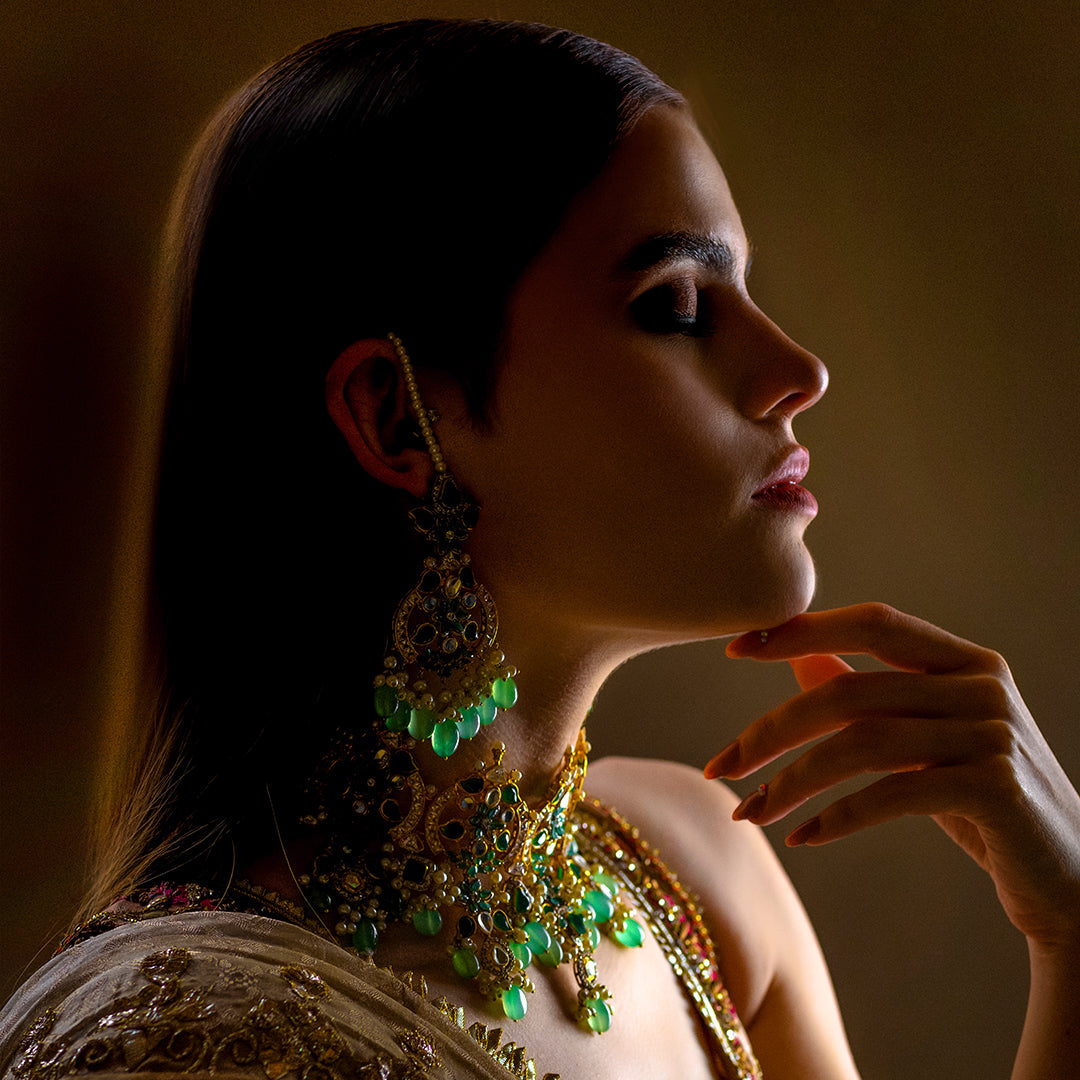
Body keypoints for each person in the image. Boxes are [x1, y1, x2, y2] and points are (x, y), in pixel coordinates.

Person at [1, 18, 1077, 1080]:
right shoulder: (190, 1037)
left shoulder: (701, 875)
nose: (799, 371)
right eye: (677, 306)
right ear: (397, 419)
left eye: (746, 292)